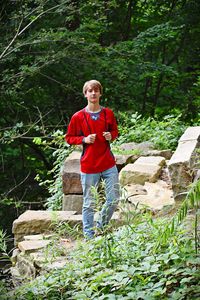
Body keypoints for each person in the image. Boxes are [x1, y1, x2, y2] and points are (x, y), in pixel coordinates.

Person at [65, 80, 120, 239]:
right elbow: (69, 138)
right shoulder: (78, 116)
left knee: (114, 199)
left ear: (100, 93)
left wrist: (112, 136)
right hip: (89, 166)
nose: (93, 93)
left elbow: (115, 131)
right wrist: (84, 139)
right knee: (89, 203)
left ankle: (101, 227)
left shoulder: (108, 113)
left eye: (96, 90)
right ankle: (89, 237)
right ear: (85, 94)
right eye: (90, 91)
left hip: (108, 163)